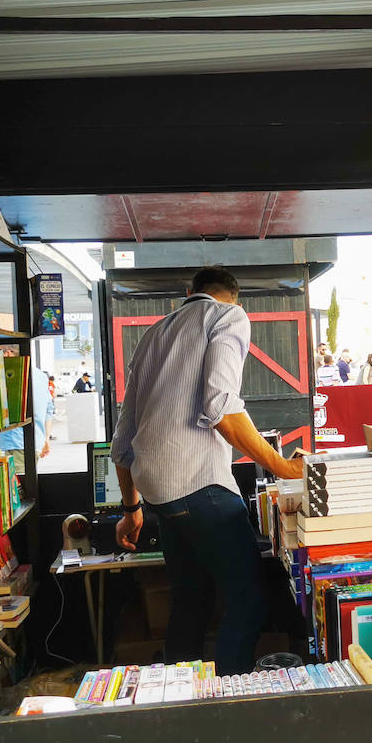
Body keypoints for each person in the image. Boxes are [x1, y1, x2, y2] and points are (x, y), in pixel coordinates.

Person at [110, 267, 304, 674]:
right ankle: (229, 698)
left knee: (190, 600)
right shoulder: (228, 316)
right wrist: (284, 467)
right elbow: (221, 407)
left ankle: (183, 700)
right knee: (248, 601)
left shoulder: (152, 335)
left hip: (158, 495)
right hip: (200, 486)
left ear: (189, 293)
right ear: (233, 299)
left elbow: (123, 440)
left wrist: (131, 510)